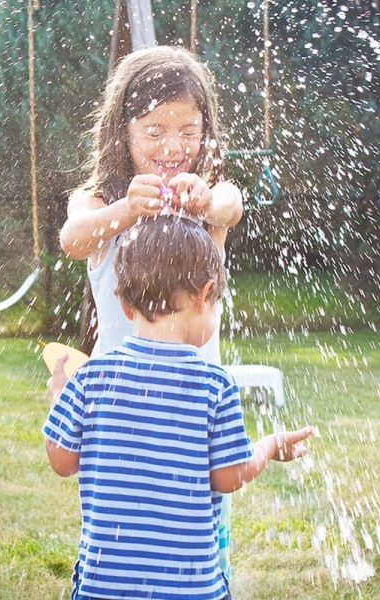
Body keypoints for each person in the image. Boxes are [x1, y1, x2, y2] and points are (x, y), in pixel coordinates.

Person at [43, 216, 314, 600]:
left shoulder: (91, 378)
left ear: (123, 304)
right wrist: (269, 446)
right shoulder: (214, 385)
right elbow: (228, 477)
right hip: (189, 589)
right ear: (205, 295)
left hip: (103, 588)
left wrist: (60, 396)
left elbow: (61, 460)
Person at [56, 45, 244, 576]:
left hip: (196, 412)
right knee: (121, 538)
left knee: (200, 540)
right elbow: (72, 238)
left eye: (188, 130)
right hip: (121, 416)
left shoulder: (208, 201)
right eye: (155, 131)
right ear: (124, 133)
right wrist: (124, 210)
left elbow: (232, 203)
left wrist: (206, 202)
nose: (173, 146)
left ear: (206, 131)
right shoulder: (98, 202)